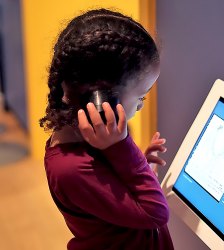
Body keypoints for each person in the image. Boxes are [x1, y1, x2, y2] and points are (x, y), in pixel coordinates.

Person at [39, 8, 174, 250]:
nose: (142, 105)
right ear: (102, 99)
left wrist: (139, 162)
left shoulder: (94, 138)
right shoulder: (71, 168)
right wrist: (125, 152)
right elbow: (156, 213)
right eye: (141, 96)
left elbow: (115, 193)